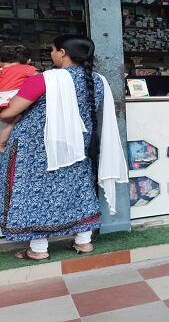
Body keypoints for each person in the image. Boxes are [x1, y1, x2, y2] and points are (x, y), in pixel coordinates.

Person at [0, 35, 127, 260]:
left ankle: (38, 249)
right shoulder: (98, 80)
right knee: (78, 188)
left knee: (33, 192)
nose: (51, 54)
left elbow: (9, 112)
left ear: (62, 53)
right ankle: (84, 242)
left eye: (52, 50)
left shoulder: (46, 79)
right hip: (77, 145)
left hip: (35, 148)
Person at [0, 44, 38, 152]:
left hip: (2, 101)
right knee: (15, 120)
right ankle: (2, 143)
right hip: (12, 101)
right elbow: (39, 79)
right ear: (28, 60)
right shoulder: (27, 69)